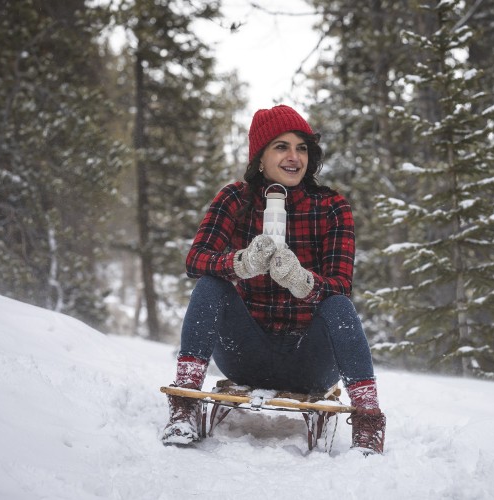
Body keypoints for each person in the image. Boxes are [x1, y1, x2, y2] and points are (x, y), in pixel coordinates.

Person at [162, 104, 386, 454]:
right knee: (210, 283)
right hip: (245, 354)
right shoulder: (235, 199)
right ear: (260, 158)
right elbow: (196, 260)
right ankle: (184, 407)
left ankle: (368, 421)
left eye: (302, 147)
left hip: (308, 362)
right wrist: (240, 263)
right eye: (281, 146)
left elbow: (341, 284)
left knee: (339, 305)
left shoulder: (331, 207)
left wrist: (303, 282)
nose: (294, 156)